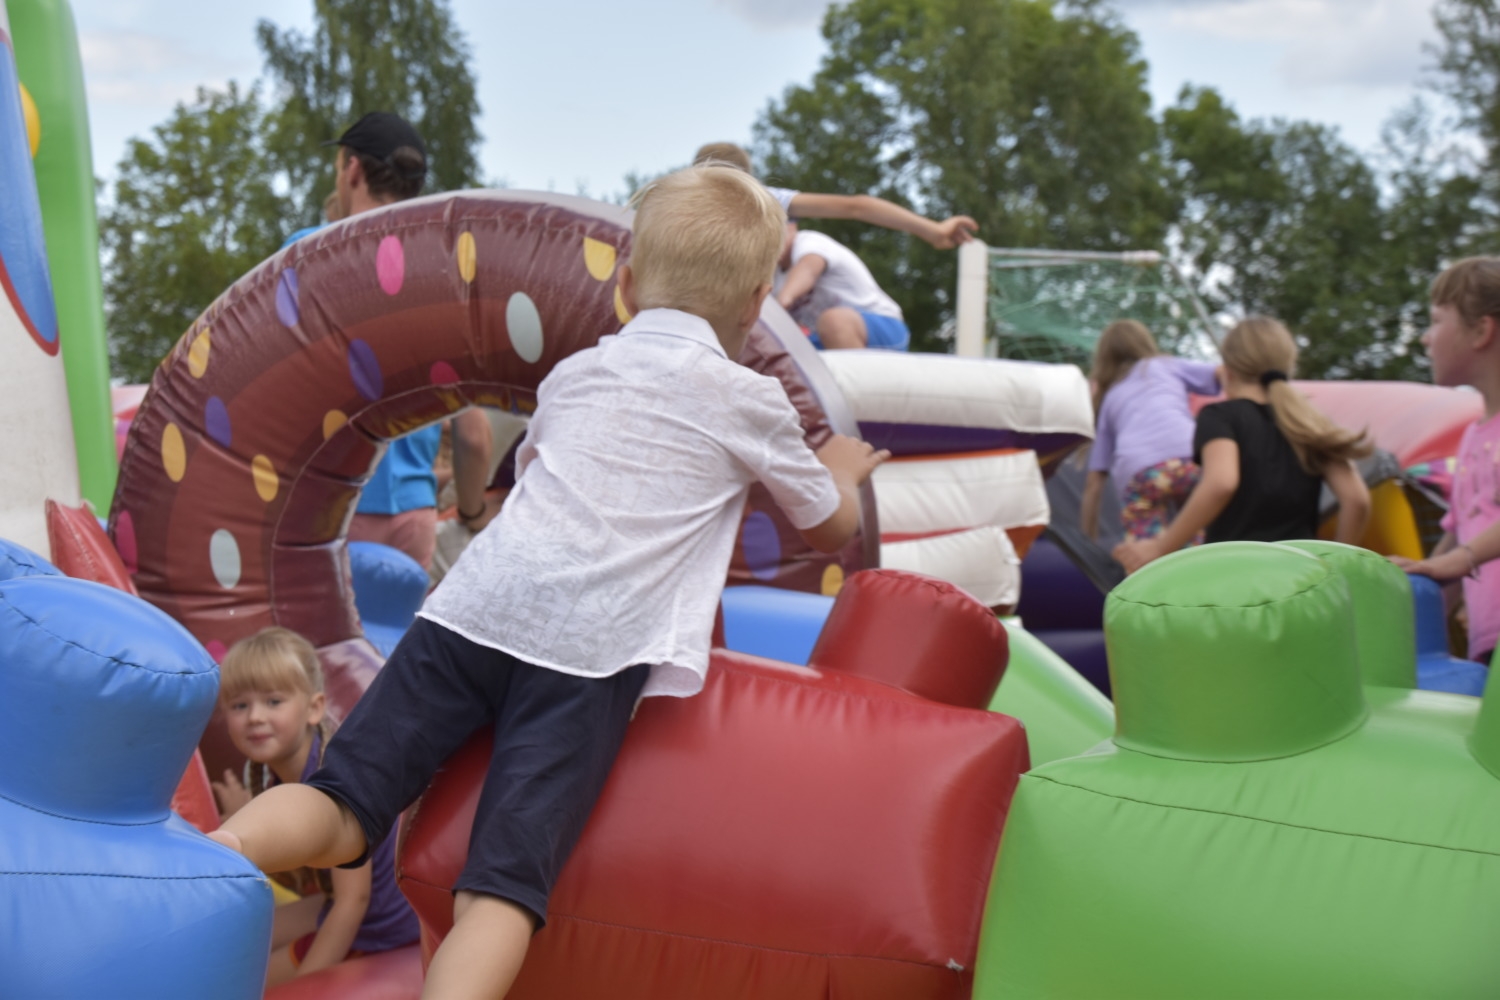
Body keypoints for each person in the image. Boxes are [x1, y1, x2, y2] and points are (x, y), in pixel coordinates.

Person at [209, 164, 890, 999]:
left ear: (630, 286)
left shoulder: (576, 373)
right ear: (757, 303)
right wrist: (845, 473)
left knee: (344, 801)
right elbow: (829, 526)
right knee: (500, 889)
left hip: (470, 609)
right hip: (587, 653)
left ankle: (209, 862)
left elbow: (533, 481)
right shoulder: (750, 399)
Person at [317, 111, 495, 569]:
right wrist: (472, 513)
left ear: (352, 169)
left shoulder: (303, 259)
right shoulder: (442, 280)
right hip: (414, 514)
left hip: (330, 509)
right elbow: (473, 436)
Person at [209, 628, 418, 989]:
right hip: (340, 902)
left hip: (379, 927)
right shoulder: (277, 779)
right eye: (240, 705)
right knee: (229, 936)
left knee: (232, 981)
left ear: (314, 708)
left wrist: (304, 988)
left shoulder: (332, 778)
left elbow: (354, 901)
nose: (255, 716)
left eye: (273, 702)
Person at [1113, 317, 1371, 574]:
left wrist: (1161, 547)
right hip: (1298, 578)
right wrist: (1336, 570)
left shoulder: (1220, 416)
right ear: (1288, 365)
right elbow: (1357, 500)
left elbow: (1222, 482)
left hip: (1234, 578)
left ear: (1228, 370)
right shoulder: (1309, 423)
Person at [1389, 257, 1500, 664]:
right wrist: (1420, 591)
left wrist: (1459, 560)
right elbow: (1458, 536)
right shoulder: (1473, 436)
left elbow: (1462, 554)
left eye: (1436, 321)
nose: (1425, 338)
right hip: (1487, 644)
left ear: (1481, 330)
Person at [692, 142, 977, 250]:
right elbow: (856, 208)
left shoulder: (680, 204)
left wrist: (933, 231)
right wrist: (933, 230)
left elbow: (857, 207)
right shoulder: (761, 199)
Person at [1082, 320, 1220, 542]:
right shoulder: (1166, 365)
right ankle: (1204, 559)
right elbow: (1223, 373)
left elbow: (1094, 482)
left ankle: (1150, 569)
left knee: (1147, 552)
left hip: (1140, 473)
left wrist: (1088, 539)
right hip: (1190, 459)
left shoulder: (1109, 398)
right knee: (1199, 526)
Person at [775, 221, 910, 350]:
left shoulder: (809, 241)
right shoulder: (769, 274)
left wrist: (782, 301)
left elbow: (808, 269)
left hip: (882, 326)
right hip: (823, 337)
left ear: (791, 226)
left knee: (834, 321)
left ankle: (856, 374)